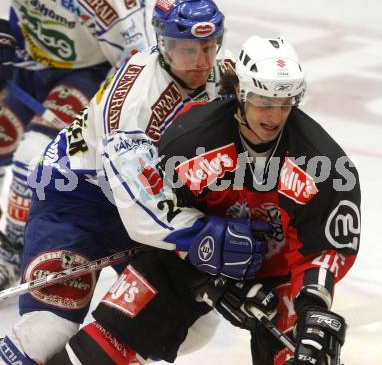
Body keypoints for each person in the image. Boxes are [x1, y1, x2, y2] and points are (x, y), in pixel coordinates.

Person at [46, 36, 360, 364]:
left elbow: (326, 248)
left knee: (308, 352)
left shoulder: (321, 163)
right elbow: (162, 218)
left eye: (284, 103)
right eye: (264, 102)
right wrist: (211, 279)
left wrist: (314, 307)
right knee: (107, 344)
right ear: (240, 92)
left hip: (280, 272)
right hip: (198, 255)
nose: (275, 116)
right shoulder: (191, 140)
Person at [0, 0, 270, 364]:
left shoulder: (221, 73)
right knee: (47, 331)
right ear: (162, 43)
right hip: (76, 200)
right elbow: (141, 209)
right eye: (187, 50)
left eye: (209, 47)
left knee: (191, 326)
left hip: (137, 204)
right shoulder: (134, 103)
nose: (201, 61)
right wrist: (202, 233)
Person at [0, 0, 150, 290]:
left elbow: (141, 62)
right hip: (28, 57)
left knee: (34, 155)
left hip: (89, 72)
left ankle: (12, 251)